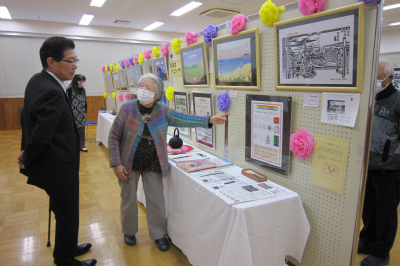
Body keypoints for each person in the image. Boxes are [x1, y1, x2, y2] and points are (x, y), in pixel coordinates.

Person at [108, 73, 229, 251]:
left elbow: (184, 118)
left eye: (148, 87)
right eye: (141, 85)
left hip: (153, 162)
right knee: (128, 199)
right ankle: (129, 231)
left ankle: (158, 234)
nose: (142, 89)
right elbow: (113, 137)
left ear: (157, 95)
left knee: (156, 200)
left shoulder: (162, 110)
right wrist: (116, 163)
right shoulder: (126, 109)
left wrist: (209, 120)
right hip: (128, 163)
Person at [17, 36, 97, 266]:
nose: (75, 66)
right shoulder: (51, 90)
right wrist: (28, 156)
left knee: (63, 210)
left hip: (53, 162)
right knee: (67, 213)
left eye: (76, 59)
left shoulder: (38, 80)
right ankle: (65, 260)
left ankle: (68, 245)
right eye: (70, 60)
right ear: (51, 62)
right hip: (58, 165)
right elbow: (41, 132)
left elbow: (30, 121)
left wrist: (26, 150)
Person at [358, 58, 400, 266]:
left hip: (389, 169)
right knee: (368, 209)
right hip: (368, 167)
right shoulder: (369, 98)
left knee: (386, 214)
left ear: (389, 79)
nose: (373, 82)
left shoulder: (397, 101)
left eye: (377, 78)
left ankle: (382, 253)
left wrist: (390, 158)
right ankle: (367, 242)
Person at [67, 74, 88, 152]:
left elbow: (84, 101)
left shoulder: (82, 90)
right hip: (72, 113)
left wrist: (85, 110)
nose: (84, 82)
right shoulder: (70, 90)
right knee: (73, 129)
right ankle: (72, 145)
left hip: (81, 113)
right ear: (78, 81)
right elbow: (67, 102)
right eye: (83, 80)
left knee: (81, 130)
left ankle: (82, 145)